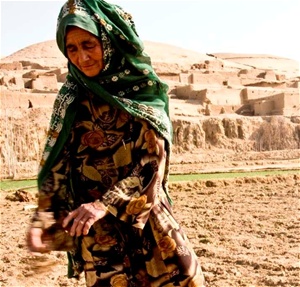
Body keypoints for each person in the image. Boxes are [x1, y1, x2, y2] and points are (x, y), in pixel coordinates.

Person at [27, 0, 206, 286]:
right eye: (71, 49)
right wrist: (44, 216)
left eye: (89, 45)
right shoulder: (70, 99)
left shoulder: (142, 93)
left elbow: (151, 164)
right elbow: (57, 162)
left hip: (149, 227)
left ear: (109, 42)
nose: (82, 58)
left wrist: (103, 204)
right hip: (97, 239)